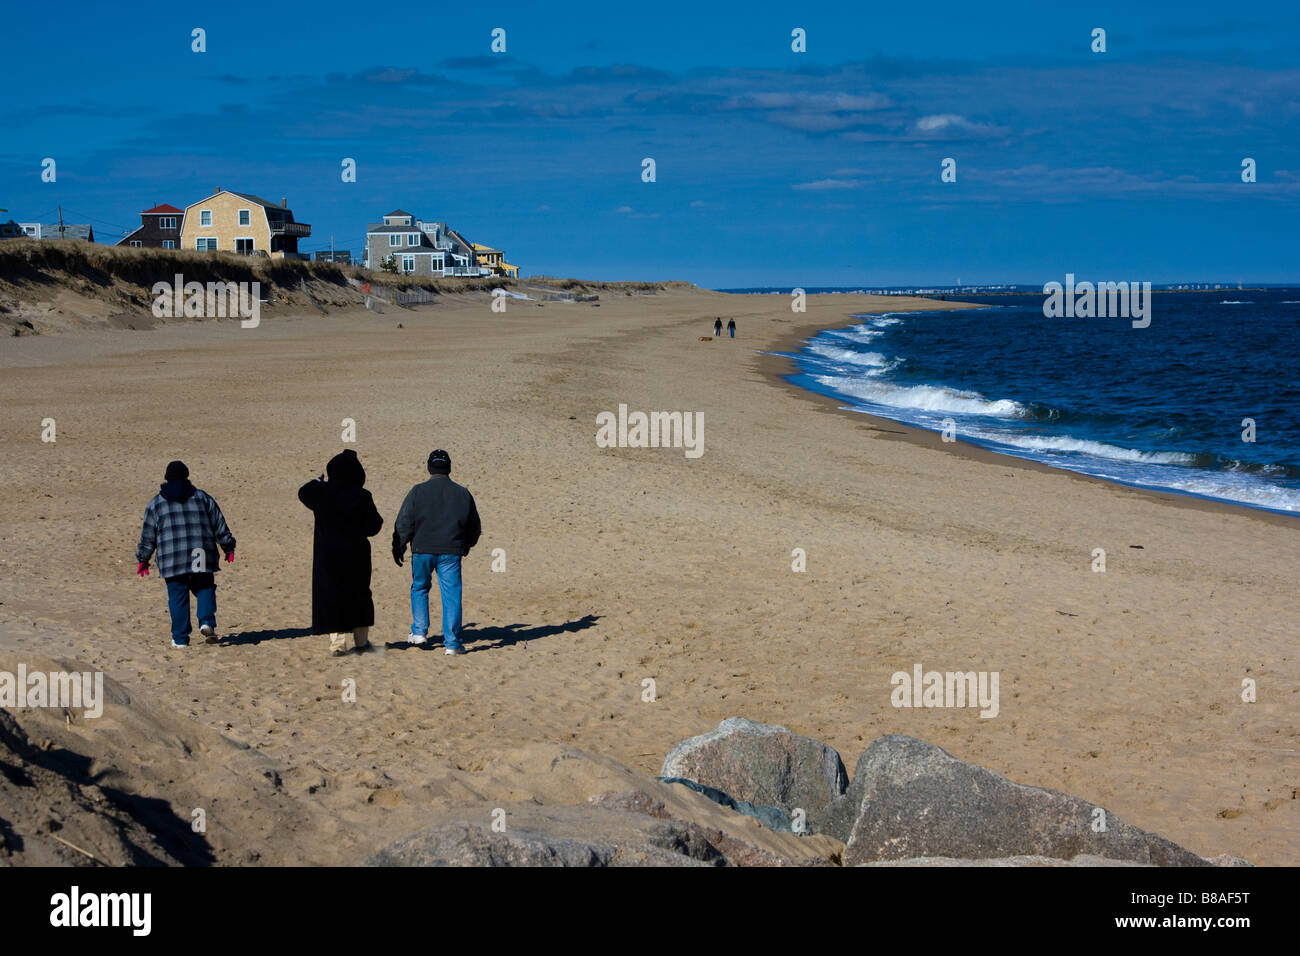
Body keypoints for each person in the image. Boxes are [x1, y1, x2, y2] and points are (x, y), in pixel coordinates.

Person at [135, 460, 236, 648]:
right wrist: (228, 547)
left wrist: (143, 559)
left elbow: (148, 535)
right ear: (187, 476)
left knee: (177, 596)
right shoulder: (202, 498)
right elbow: (219, 525)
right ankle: (206, 622)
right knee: (205, 587)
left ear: (166, 478)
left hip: (172, 557)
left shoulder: (156, 503)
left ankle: (180, 639)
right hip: (201, 552)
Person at [392, 449, 481, 655]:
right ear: (448, 468)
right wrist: (466, 545)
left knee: (420, 588)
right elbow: (474, 526)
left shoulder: (417, 491)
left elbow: (404, 522)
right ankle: (452, 644)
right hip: (451, 550)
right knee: (451, 595)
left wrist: (399, 545)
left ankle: (420, 633)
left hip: (422, 549)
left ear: (429, 468)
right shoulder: (462, 492)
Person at [298, 449, 384, 657]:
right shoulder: (363, 496)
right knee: (360, 595)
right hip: (357, 556)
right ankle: (361, 641)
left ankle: (338, 645)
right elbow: (374, 526)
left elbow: (304, 491)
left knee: (332, 596)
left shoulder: (322, 494)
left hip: (328, 556)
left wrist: (319, 481)